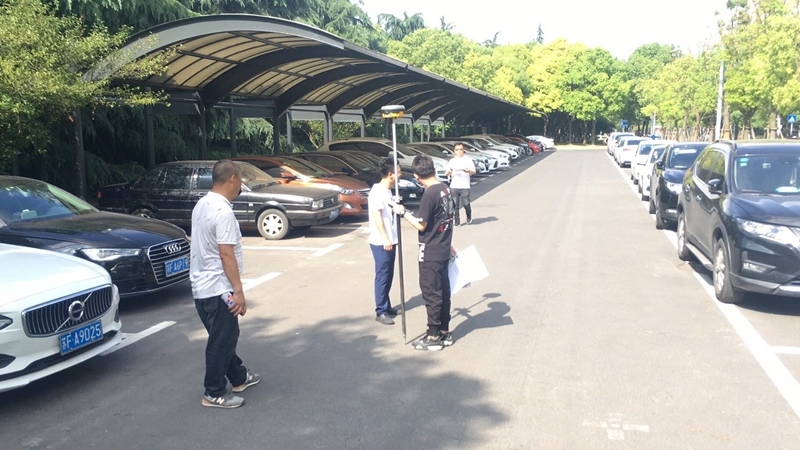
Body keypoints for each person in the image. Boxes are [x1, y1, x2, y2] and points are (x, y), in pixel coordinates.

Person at [190, 159, 260, 409]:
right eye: (240, 180)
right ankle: (214, 392)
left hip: (202, 286)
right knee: (222, 340)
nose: (240, 185)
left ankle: (238, 377)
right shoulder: (224, 211)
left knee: (224, 336)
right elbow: (226, 254)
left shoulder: (202, 204)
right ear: (232, 179)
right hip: (218, 287)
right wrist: (238, 291)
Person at [395, 155, 457, 351]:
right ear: (434, 169)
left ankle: (433, 335)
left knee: (432, 294)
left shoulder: (430, 195)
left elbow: (421, 225)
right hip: (443, 247)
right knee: (443, 291)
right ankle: (444, 330)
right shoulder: (445, 189)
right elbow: (446, 219)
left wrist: (403, 212)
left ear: (416, 176)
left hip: (431, 250)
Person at [368, 158, 406, 325]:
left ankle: (386, 304)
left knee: (389, 274)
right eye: (399, 171)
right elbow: (377, 216)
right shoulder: (377, 192)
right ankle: (381, 311)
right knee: (382, 275)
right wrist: (385, 238)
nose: (401, 174)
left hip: (391, 238)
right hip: (381, 241)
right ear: (391, 174)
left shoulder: (389, 191)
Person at [445, 142, 477, 226]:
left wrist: (469, 171)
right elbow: (447, 172)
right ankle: (457, 221)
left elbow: (474, 171)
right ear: (454, 151)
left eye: (461, 149)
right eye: (457, 149)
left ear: (463, 150)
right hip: (454, 186)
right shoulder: (452, 161)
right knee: (455, 205)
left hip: (464, 185)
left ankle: (469, 215)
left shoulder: (468, 160)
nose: (459, 151)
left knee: (465, 203)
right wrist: (449, 172)